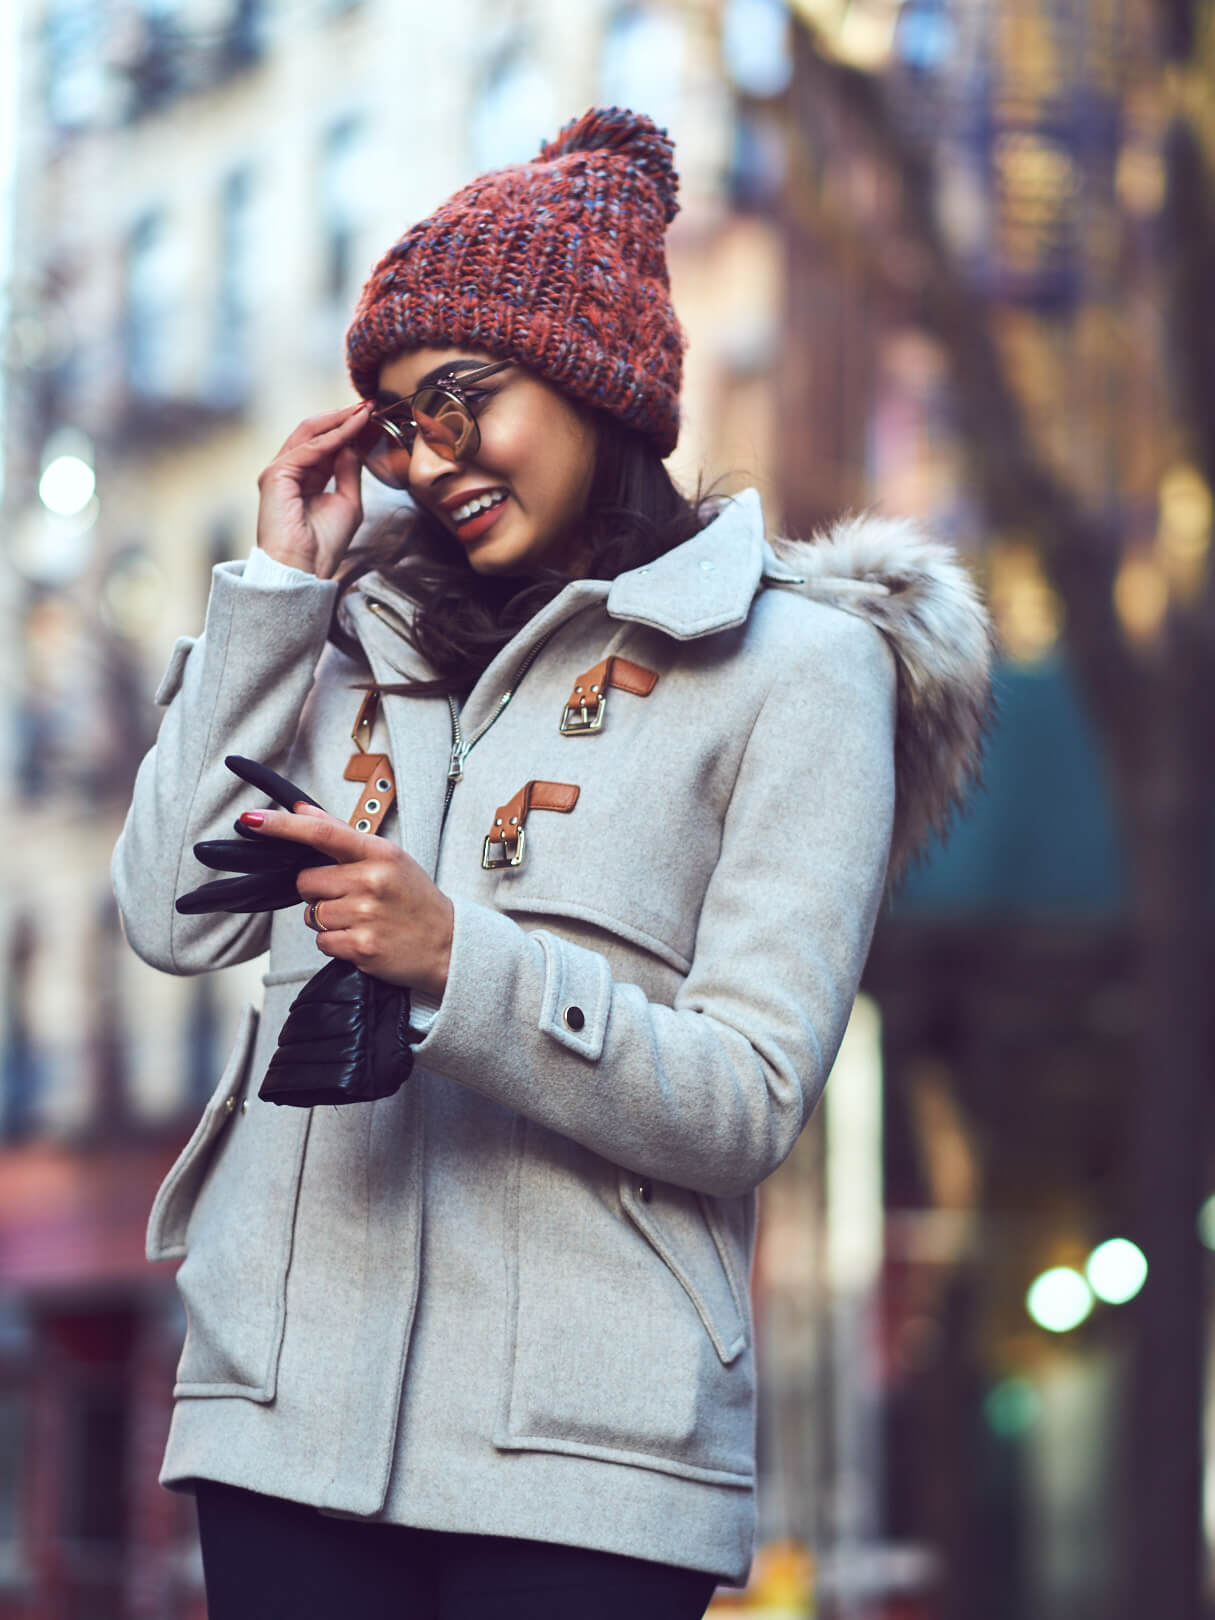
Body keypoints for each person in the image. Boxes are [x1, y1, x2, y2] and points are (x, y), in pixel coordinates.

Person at [112, 107, 992, 1620]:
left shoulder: (799, 672)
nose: (430, 457)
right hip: (279, 1416)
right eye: (397, 421)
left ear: (594, 379)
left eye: (465, 398)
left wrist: (464, 960)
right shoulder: (340, 640)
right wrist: (273, 591)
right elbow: (160, 918)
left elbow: (750, 1096)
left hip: (592, 1455)